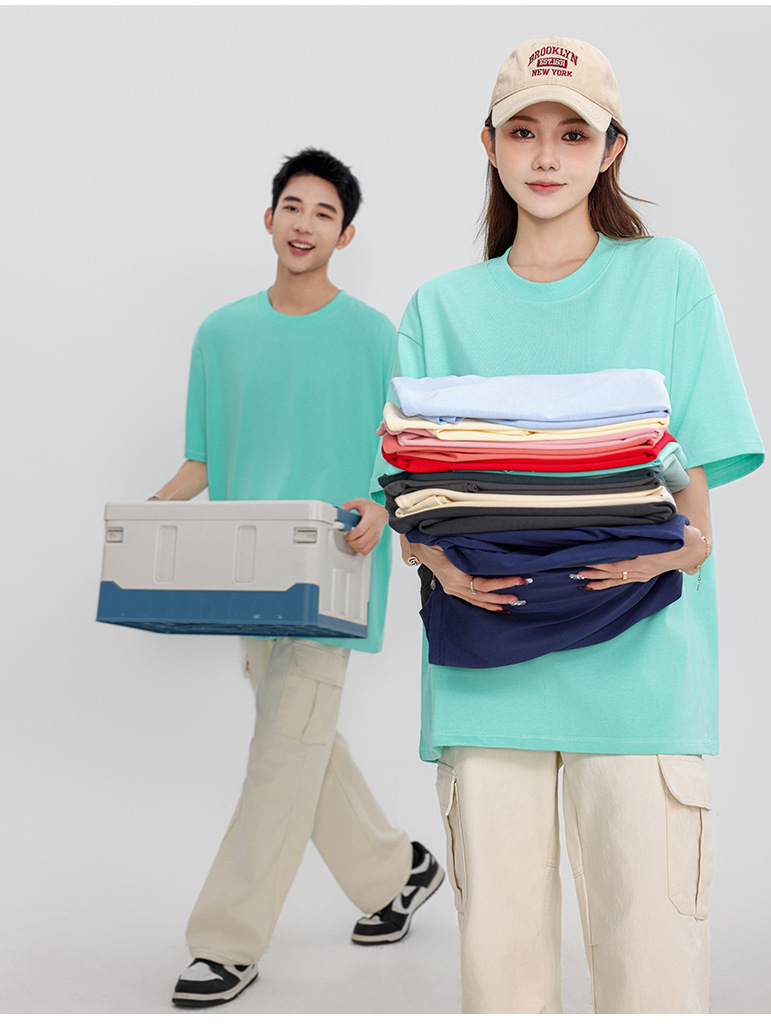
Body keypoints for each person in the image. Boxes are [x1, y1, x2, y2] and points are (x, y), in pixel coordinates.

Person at [371, 38, 763, 1014]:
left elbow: (698, 474)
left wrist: (689, 546)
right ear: (490, 145)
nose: (546, 156)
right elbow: (412, 502)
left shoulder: (669, 277)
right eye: (524, 132)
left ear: (611, 149)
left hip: (640, 673)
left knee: (651, 985)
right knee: (502, 987)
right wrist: (438, 563)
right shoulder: (440, 310)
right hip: (485, 673)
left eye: (573, 134)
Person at [151, 148, 444, 1009]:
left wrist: (383, 507)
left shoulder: (375, 336)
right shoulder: (222, 333)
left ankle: (225, 941)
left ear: (345, 234)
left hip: (333, 570)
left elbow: (409, 456)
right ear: (268, 218)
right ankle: (398, 872)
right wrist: (153, 513)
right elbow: (204, 458)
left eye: (324, 212)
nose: (304, 223)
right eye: (292, 206)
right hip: (244, 572)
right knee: (301, 744)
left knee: (280, 755)